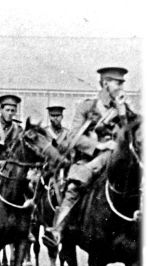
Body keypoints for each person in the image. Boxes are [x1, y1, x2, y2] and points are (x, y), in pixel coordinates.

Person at [44, 67, 137, 248]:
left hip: (119, 160)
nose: (121, 87)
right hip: (90, 159)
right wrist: (99, 145)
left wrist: (123, 112)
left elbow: (131, 136)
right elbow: (73, 137)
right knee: (73, 186)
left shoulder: (124, 109)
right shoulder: (87, 107)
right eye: (117, 83)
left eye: (122, 83)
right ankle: (58, 229)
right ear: (105, 84)